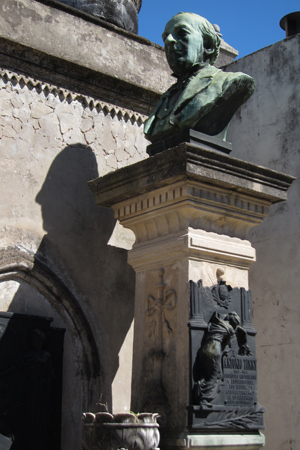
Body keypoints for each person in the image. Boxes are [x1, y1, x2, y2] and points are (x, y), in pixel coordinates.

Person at [144, 12, 255, 144]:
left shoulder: (231, 82)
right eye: (165, 37)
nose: (169, 41)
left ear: (207, 45)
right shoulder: (168, 96)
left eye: (182, 33)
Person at [193, 311, 251, 405]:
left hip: (204, 349)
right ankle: (203, 398)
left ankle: (199, 389)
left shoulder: (217, 322)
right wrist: (243, 342)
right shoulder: (229, 329)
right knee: (215, 376)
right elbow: (229, 342)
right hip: (214, 350)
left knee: (204, 373)